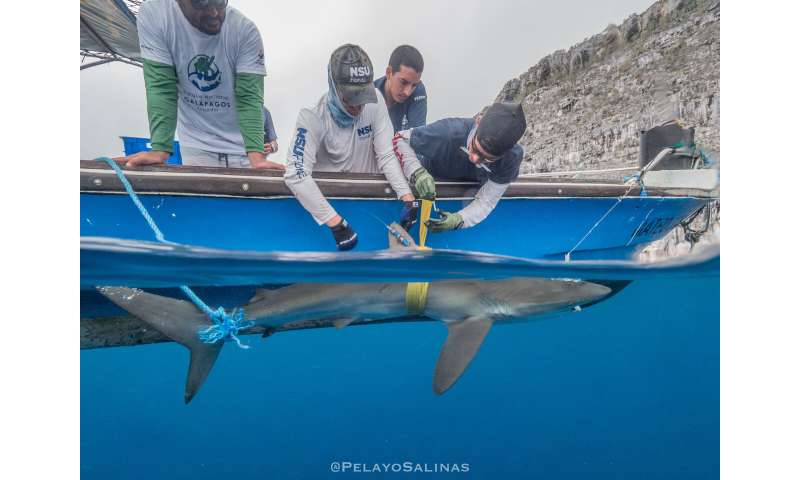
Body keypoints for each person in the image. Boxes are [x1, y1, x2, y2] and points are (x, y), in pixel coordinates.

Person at [284, 44, 436, 251]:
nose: (357, 107)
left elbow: (386, 156)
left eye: (361, 97)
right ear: (334, 86)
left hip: (368, 200)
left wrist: (409, 200)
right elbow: (296, 173)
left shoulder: (376, 101)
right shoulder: (311, 117)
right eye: (350, 98)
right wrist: (336, 224)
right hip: (329, 212)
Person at [119, 0, 283, 170]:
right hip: (198, 146)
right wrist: (159, 149)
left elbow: (248, 98)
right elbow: (162, 87)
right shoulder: (156, 14)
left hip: (245, 150)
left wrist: (257, 158)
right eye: (201, 4)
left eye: (220, 3)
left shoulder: (245, 30)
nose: (213, 13)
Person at [391, 102, 527, 232]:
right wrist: (417, 173)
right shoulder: (448, 132)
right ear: (478, 122)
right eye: (475, 148)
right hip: (428, 180)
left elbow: (486, 201)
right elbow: (400, 138)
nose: (474, 159)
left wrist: (459, 220)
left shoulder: (512, 158)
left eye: (486, 159)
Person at [374, 45, 427, 132]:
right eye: (403, 82)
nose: (407, 92)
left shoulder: (418, 91)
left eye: (414, 85)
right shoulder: (369, 97)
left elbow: (417, 138)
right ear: (388, 73)